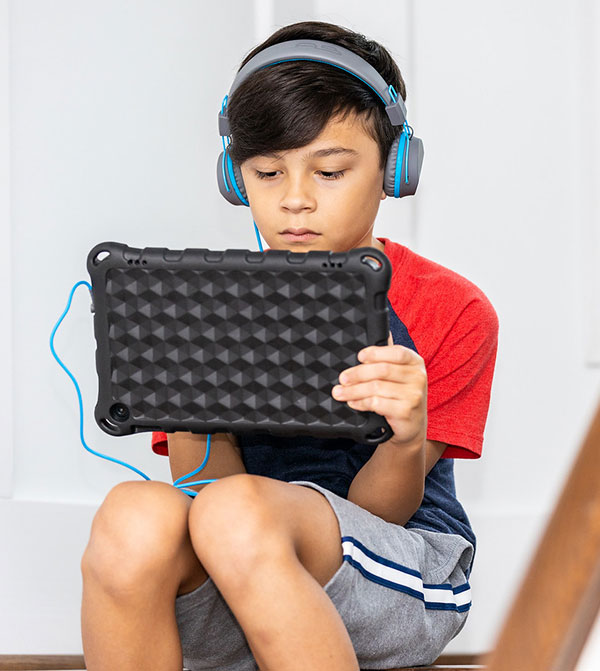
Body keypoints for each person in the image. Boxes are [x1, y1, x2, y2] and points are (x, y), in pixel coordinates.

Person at [80, 20, 498, 671]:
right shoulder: (201, 306)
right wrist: (190, 393)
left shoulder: (452, 308)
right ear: (234, 175)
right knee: (133, 514)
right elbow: (205, 489)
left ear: (393, 169)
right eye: (268, 172)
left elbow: (382, 513)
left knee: (235, 514)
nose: (295, 200)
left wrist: (405, 436)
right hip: (240, 562)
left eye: (329, 171)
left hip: (397, 575)